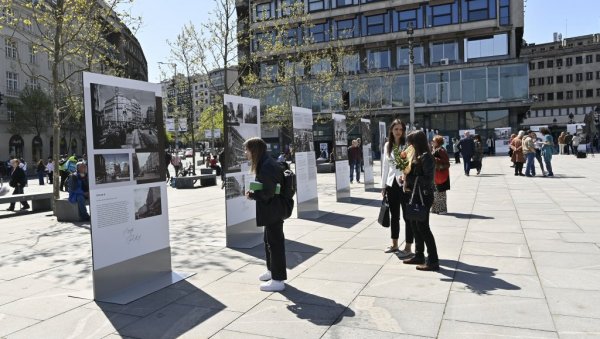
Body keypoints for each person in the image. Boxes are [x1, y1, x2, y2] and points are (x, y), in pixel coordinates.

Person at [244, 137, 288, 292]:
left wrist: (253, 195)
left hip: (273, 210)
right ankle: (271, 271)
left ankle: (278, 280)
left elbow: (268, 192)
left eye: (247, 150)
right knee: (269, 241)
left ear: (254, 150)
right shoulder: (266, 162)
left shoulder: (267, 166)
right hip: (272, 209)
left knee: (275, 244)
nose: (246, 153)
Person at [402, 130, 439, 271]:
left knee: (424, 228)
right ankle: (419, 254)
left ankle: (433, 260)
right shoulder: (418, 156)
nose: (409, 145)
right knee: (415, 225)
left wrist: (410, 178)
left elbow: (428, 179)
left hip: (424, 196)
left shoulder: (427, 157)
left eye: (411, 142)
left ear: (417, 142)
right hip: (416, 195)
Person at [380, 119, 413, 257]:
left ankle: (408, 247)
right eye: (396, 129)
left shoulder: (408, 145)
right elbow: (385, 167)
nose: (398, 132)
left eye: (401, 129)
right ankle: (394, 244)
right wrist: (383, 186)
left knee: (408, 217)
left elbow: (411, 164)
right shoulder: (388, 145)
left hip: (404, 184)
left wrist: (406, 178)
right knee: (394, 216)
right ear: (391, 130)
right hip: (391, 184)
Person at [432, 135, 450, 214]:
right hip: (437, 175)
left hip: (441, 175)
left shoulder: (441, 150)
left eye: (434, 141)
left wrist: (435, 159)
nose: (432, 142)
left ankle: (442, 209)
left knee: (441, 193)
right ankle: (435, 209)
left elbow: (446, 163)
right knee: (436, 193)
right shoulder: (436, 149)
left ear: (438, 142)